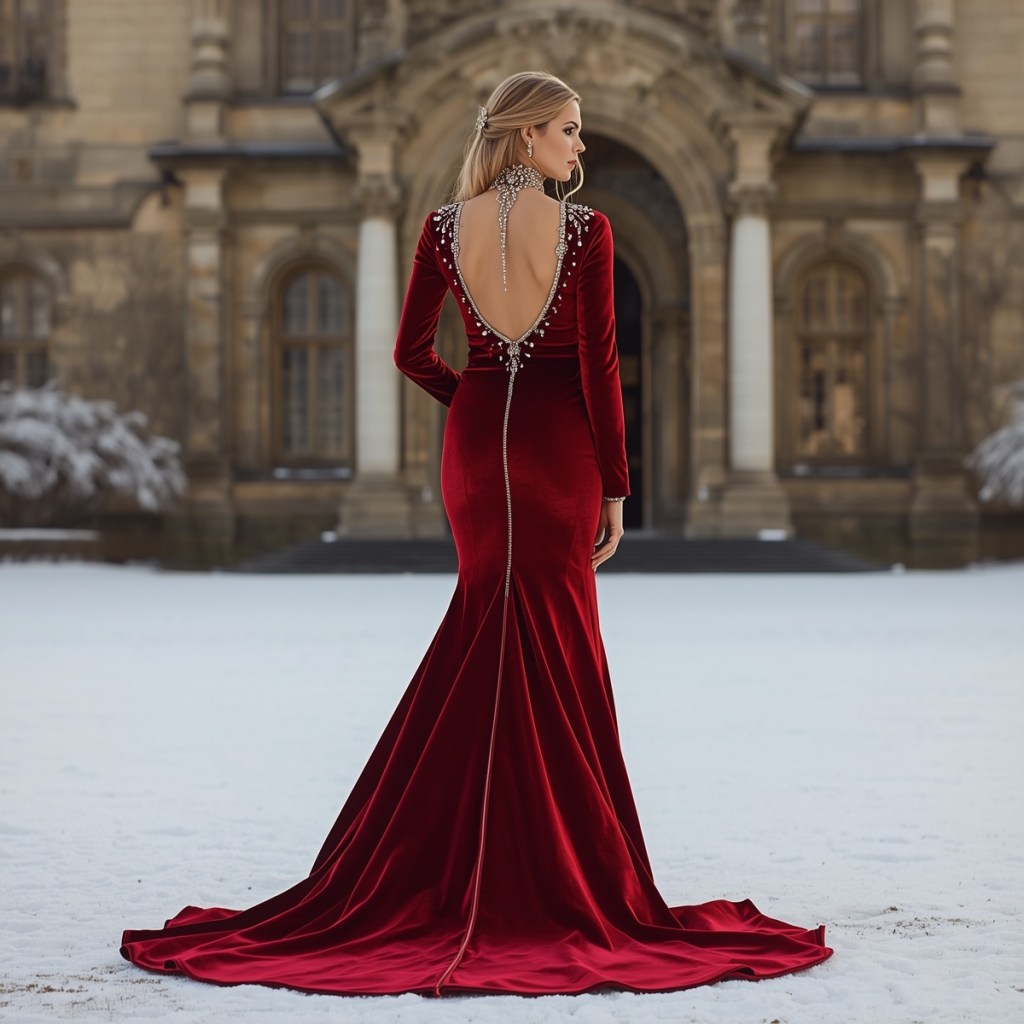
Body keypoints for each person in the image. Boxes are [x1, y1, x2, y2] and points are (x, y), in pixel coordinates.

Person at [120, 70, 833, 996]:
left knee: (483, 631)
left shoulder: (440, 228)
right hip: (557, 452)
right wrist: (617, 486)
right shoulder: (586, 230)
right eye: (571, 130)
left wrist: (472, 403)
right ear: (530, 134)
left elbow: (410, 351)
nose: (582, 145)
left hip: (475, 449)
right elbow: (600, 369)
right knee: (560, 649)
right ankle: (562, 872)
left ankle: (443, 861)